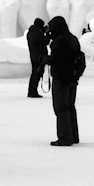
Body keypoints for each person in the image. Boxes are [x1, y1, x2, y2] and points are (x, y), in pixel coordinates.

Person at [46, 16, 80, 146]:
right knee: (70, 106)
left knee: (61, 107)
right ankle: (73, 135)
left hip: (61, 78)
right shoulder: (73, 39)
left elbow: (57, 60)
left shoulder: (59, 41)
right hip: (72, 78)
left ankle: (65, 137)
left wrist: (45, 59)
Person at [26, 18, 49, 98]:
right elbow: (46, 41)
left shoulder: (31, 32)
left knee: (34, 74)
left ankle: (31, 91)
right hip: (39, 57)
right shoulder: (37, 33)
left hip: (33, 56)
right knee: (37, 74)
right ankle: (33, 92)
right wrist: (47, 34)